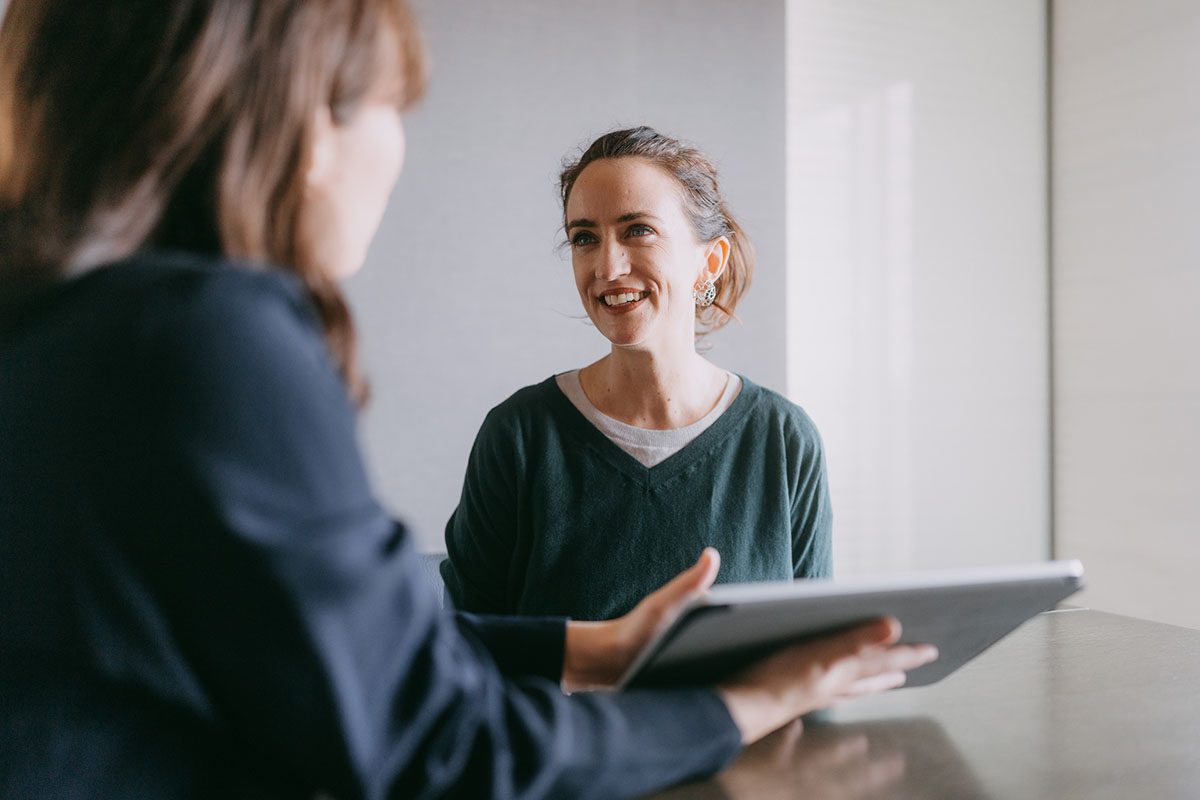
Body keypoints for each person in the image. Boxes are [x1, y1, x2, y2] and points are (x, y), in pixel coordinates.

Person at [0, 1, 937, 798]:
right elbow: (432, 734)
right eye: (391, 104)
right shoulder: (206, 338)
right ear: (303, 121)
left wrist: (591, 648)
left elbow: (366, 653)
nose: (397, 150)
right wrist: (736, 707)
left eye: (636, 232)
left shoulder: (66, 322)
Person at [441, 127, 832, 621]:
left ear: (709, 261)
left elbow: (812, 658)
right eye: (585, 238)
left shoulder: (783, 439)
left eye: (637, 230)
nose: (606, 266)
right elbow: (460, 653)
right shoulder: (519, 436)